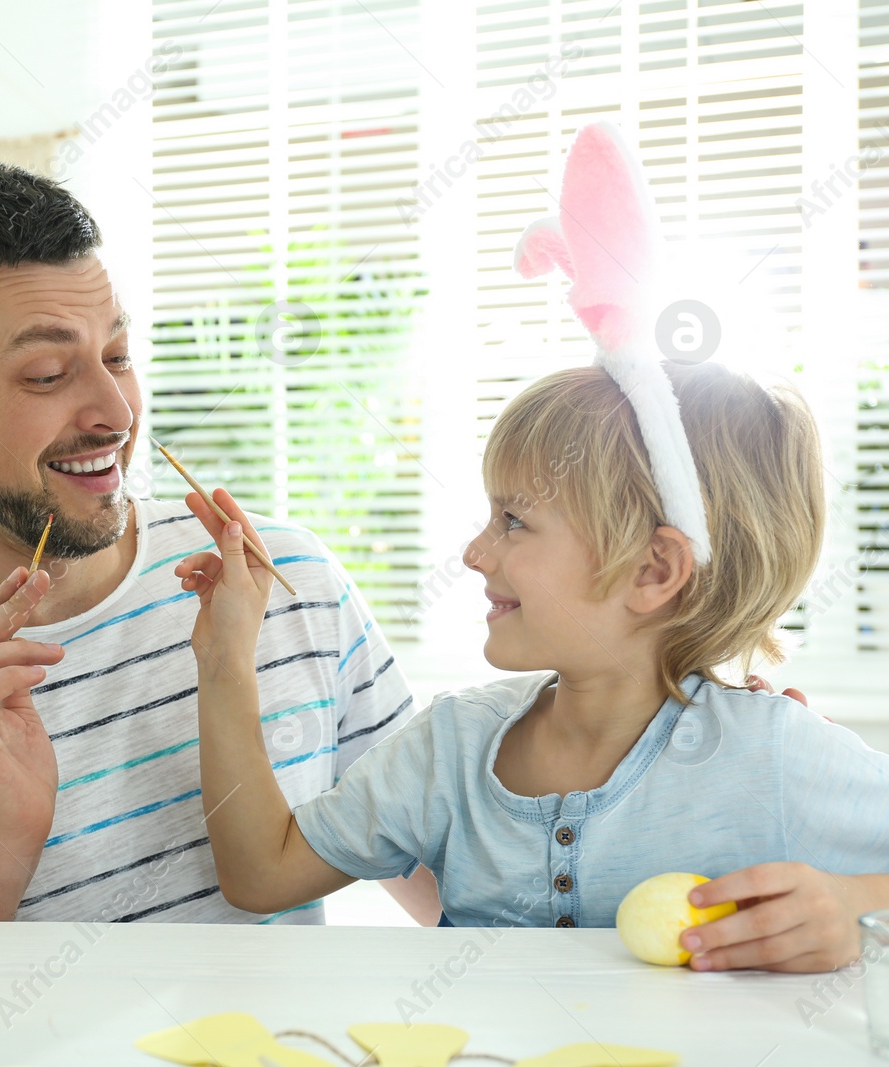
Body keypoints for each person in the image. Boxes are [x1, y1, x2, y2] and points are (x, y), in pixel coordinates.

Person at [180, 124, 889, 972]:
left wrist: (855, 906)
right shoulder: (450, 749)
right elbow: (262, 871)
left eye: (515, 521)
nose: (475, 553)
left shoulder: (774, 754)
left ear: (654, 569)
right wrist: (227, 657)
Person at [0, 162, 438, 923]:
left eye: (119, 356)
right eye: (46, 373)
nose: (115, 411)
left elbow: (457, 897)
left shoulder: (283, 581)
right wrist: (0, 850)